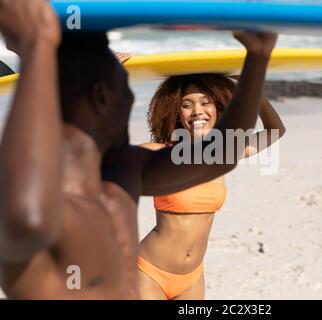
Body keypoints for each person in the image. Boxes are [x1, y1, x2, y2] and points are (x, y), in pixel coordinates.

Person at [0, 0, 277, 299]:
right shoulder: (45, 191)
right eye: (126, 87)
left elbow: (218, 157)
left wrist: (257, 60)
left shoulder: (125, 171)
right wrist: (36, 46)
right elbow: (25, 218)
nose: (132, 99)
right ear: (101, 97)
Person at [130, 73, 286, 300]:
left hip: (192, 277)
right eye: (186, 105)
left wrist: (249, 85)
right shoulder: (158, 152)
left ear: (219, 108)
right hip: (148, 272)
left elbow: (275, 131)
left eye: (206, 103)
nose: (197, 112)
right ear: (175, 111)